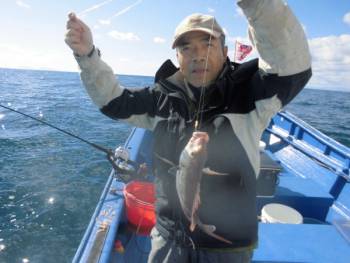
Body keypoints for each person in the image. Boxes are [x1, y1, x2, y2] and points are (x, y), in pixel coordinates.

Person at [65, 0, 312, 262]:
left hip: (228, 247)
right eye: (186, 48)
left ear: (225, 50)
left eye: (208, 44)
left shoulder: (251, 95)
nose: (197, 55)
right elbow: (113, 102)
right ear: (178, 58)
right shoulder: (160, 99)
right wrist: (87, 56)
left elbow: (291, 68)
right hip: (168, 239)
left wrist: (257, 4)